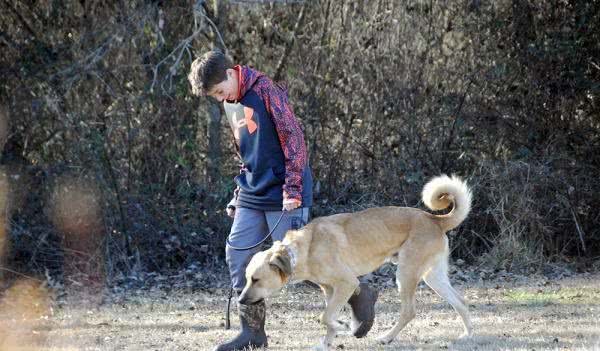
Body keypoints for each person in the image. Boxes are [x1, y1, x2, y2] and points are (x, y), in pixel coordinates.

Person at [188, 50, 378, 351]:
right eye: (213, 95)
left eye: (217, 91)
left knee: (302, 264)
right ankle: (253, 333)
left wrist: (293, 188)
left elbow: (294, 139)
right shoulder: (229, 103)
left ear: (229, 74)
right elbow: (246, 154)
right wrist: (238, 195)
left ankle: (357, 293)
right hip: (252, 193)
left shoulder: (265, 90)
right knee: (237, 254)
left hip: (285, 192)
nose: (217, 98)